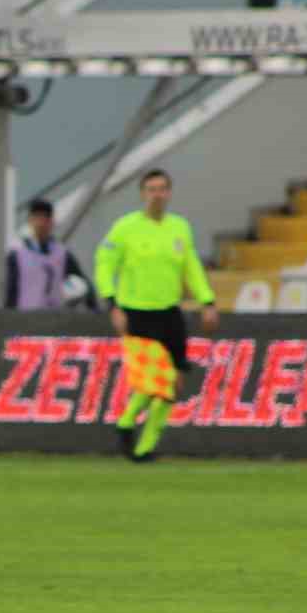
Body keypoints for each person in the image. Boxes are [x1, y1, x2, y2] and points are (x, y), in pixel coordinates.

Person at [95, 169, 220, 462]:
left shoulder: (179, 228)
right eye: (151, 189)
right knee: (154, 382)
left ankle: (144, 443)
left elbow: (191, 267)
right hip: (137, 313)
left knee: (174, 383)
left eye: (162, 188)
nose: (157, 194)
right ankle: (128, 423)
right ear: (142, 194)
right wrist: (112, 303)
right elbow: (104, 264)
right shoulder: (125, 228)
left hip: (169, 312)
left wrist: (207, 301)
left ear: (169, 193)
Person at [4, 198, 96, 312]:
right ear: (30, 221)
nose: (41, 223)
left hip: (54, 321)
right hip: (25, 321)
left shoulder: (62, 254)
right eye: (37, 217)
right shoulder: (17, 254)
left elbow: (84, 284)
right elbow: (11, 292)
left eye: (45, 218)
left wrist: (94, 311)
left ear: (52, 222)